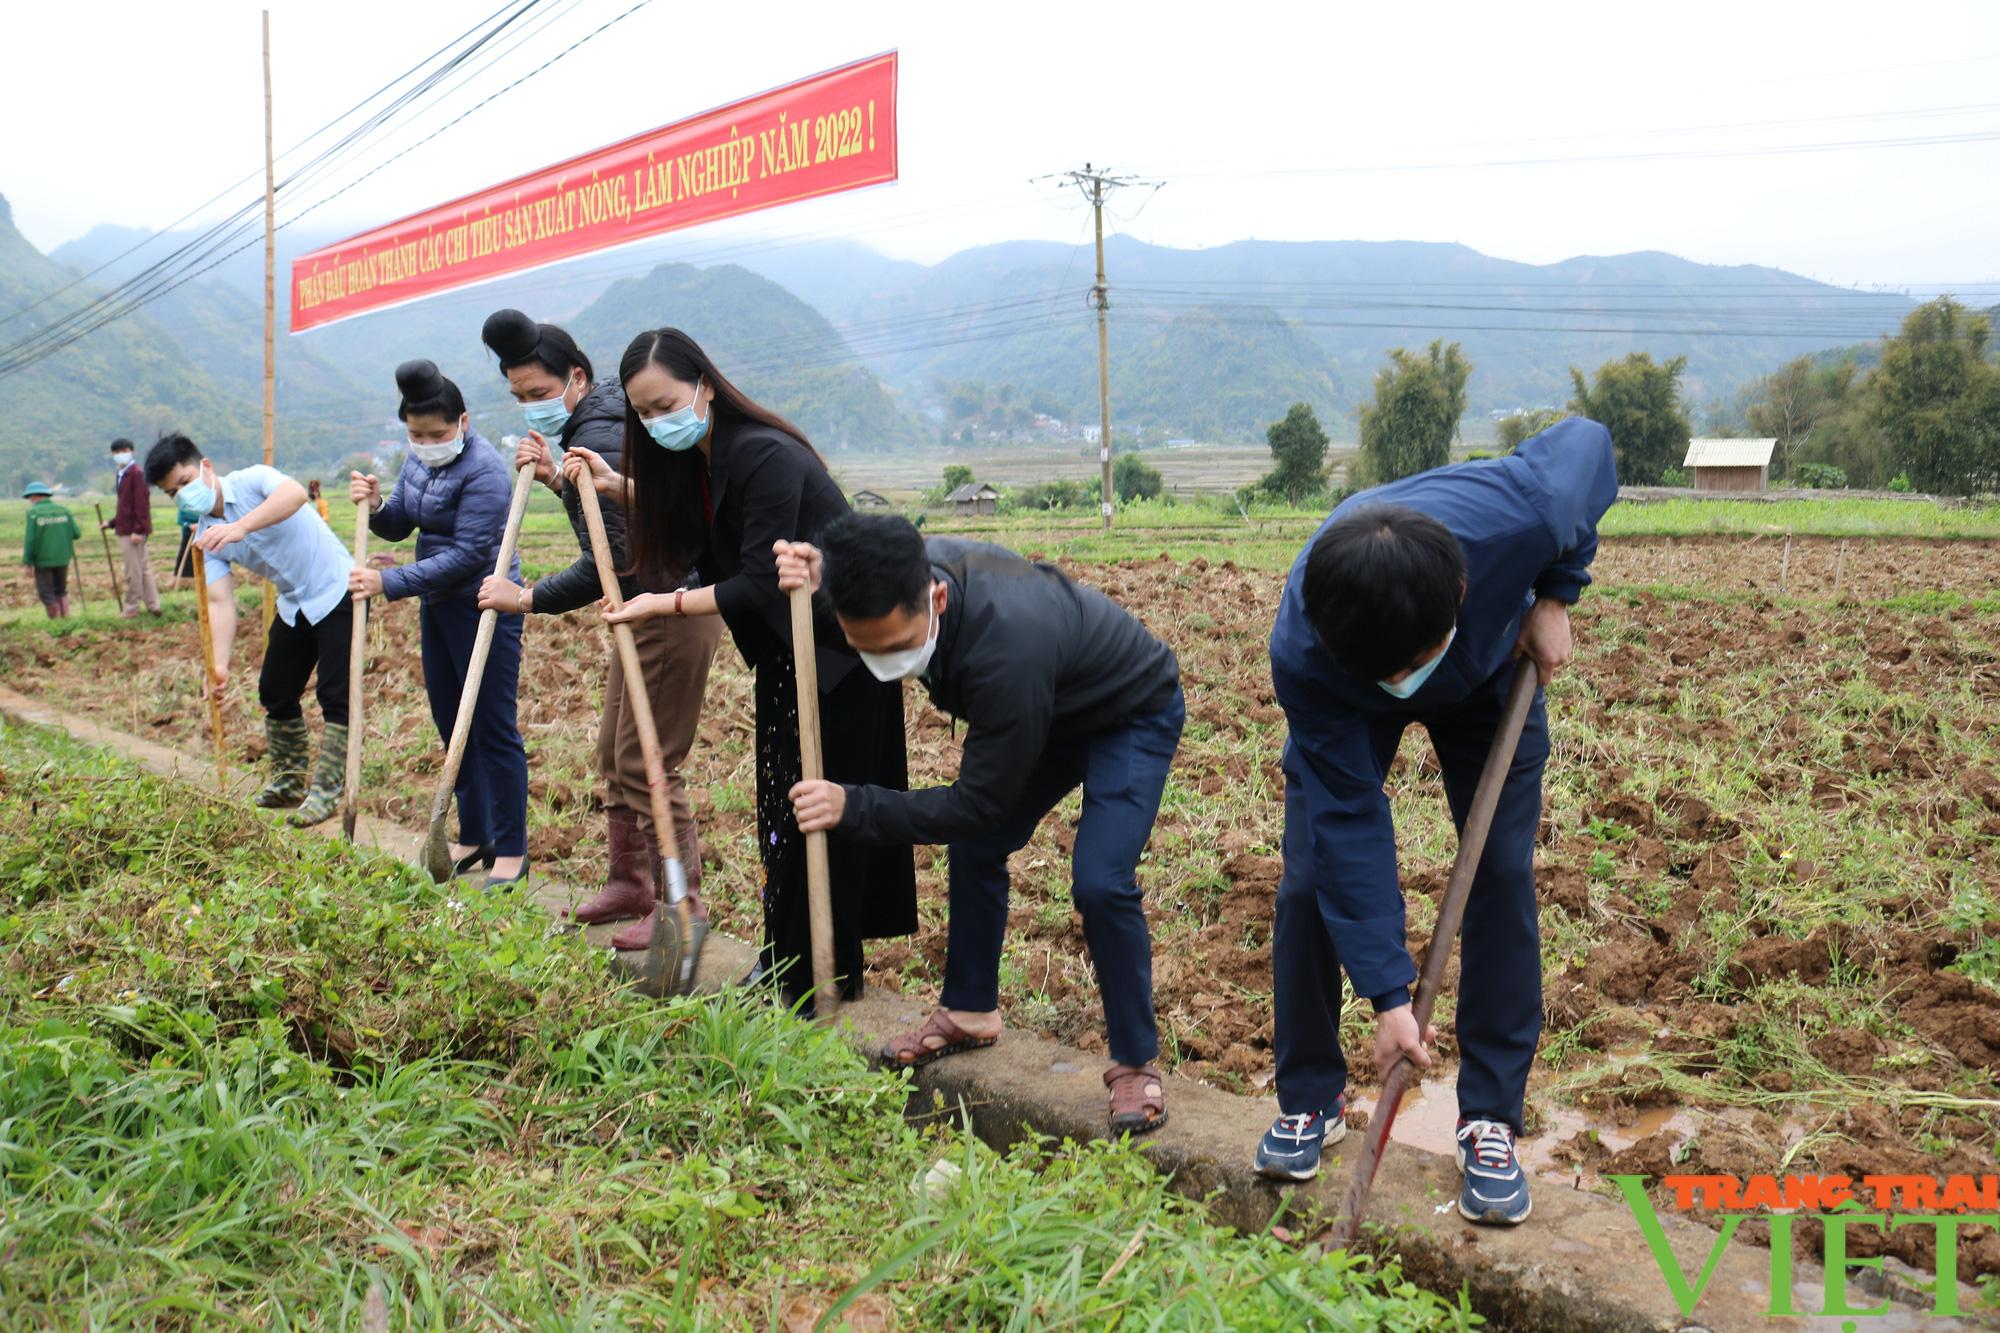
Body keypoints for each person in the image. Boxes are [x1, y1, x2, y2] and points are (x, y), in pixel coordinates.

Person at [1252, 417, 1618, 1226]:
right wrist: (1389, 994)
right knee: (1311, 877)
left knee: (1496, 872)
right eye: (1389, 674)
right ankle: (1310, 1097)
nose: (1402, 686)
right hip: (1345, 698)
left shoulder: (1520, 510)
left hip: (1489, 673)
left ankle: (1488, 1118)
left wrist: (1558, 590)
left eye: (1409, 667)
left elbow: (1587, 446)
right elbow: (1351, 820)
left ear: (1460, 591)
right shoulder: (1309, 649)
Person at [779, 514, 1186, 1134]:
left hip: (1127, 711)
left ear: (936, 600)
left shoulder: (1005, 650)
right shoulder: (900, 575)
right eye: (868, 649)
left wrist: (854, 805)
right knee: (976, 848)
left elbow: (978, 806)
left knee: (1099, 881)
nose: (887, 664)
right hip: (1049, 703)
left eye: (895, 646)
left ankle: (1135, 1061)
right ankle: (970, 1010)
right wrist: (817, 574)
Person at [565, 328, 915, 1007]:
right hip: (787, 656)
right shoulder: (704, 457)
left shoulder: (764, 455)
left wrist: (656, 603)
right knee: (783, 810)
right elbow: (701, 525)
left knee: (823, 811)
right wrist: (618, 485)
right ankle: (793, 961)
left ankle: (814, 971)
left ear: (703, 384)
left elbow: (756, 579)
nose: (655, 420)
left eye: (665, 402)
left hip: (839, 655)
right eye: (642, 412)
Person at [475, 309, 722, 954]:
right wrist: (560, 479)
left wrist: (524, 597)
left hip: (664, 606)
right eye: (520, 398)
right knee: (616, 755)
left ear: (576, 378)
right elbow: (607, 522)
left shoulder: (603, 432)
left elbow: (610, 561)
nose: (532, 409)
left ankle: (681, 900)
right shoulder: (593, 424)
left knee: (646, 759)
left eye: (539, 394)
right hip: (639, 608)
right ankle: (630, 880)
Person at [349, 360, 528, 889]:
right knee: (451, 723)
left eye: (437, 433)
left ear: (463, 422)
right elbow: (401, 520)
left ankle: (513, 851)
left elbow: (472, 554)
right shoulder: (417, 462)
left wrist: (390, 583)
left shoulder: (485, 472)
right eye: (416, 434)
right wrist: (378, 503)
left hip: (485, 605)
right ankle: (475, 835)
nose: (426, 442)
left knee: (493, 727)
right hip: (438, 604)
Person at [143, 434, 358, 823]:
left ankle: (327, 792)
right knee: (275, 689)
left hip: (338, 589)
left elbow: (293, 496)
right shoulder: (207, 538)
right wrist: (219, 665)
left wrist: (241, 526)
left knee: (335, 694)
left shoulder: (253, 480)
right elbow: (220, 601)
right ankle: (290, 783)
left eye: (186, 481)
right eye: (173, 493)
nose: (183, 495)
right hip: (295, 603)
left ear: (205, 467)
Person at [105, 436, 161, 616]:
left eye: (124, 451)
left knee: (133, 571)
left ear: (131, 451)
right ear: (112, 454)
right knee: (143, 570)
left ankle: (131, 608)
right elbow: (125, 505)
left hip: (132, 532)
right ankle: (154, 606)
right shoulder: (122, 474)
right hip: (128, 528)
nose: (121, 455)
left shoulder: (136, 473)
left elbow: (141, 504)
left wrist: (138, 530)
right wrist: (111, 523)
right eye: (117, 452)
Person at [21, 482, 80, 619]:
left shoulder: (34, 513)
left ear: (35, 496)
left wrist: (28, 562)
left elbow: (30, 540)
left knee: (46, 593)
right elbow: (76, 534)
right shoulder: (64, 510)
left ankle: (55, 620)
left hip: (43, 560)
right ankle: (65, 617)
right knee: (60, 590)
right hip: (63, 558)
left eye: (30, 498)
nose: (30, 501)